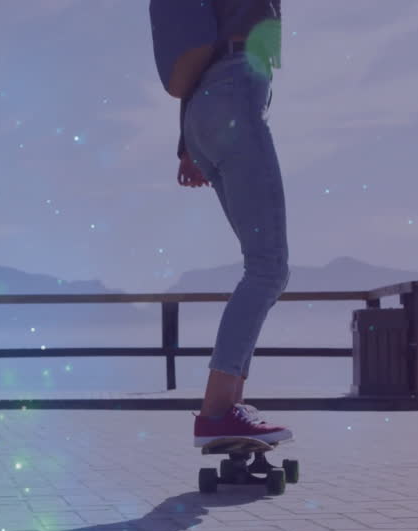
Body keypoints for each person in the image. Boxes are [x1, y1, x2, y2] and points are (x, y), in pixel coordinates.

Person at [165, 1, 293, 447]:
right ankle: (218, 410)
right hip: (235, 90)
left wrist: (186, 145)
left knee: (263, 268)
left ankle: (229, 407)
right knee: (268, 268)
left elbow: (194, 38)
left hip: (206, 109)